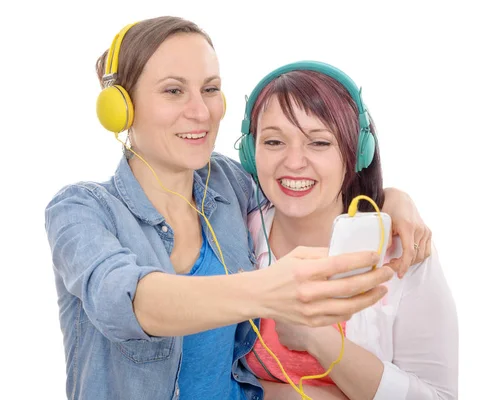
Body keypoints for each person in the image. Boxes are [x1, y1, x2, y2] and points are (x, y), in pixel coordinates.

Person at [44, 16, 433, 400]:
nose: (201, 111)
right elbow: (132, 303)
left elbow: (303, 187)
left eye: (210, 88)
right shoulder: (81, 211)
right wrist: (270, 290)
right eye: (174, 91)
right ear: (121, 107)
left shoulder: (231, 186)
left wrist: (391, 199)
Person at [238, 62, 458, 400]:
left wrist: (318, 338)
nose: (294, 162)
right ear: (251, 153)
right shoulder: (233, 236)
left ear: (356, 153)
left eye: (319, 143)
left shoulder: (403, 255)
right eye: (274, 141)